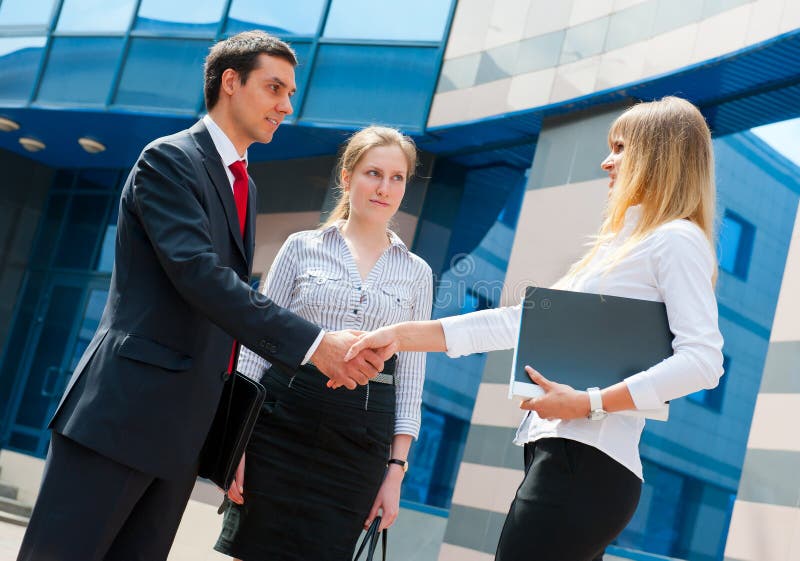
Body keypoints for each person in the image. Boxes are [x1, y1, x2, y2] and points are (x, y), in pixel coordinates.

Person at [17, 31, 392, 561]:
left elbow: (227, 305)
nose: (287, 105)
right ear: (230, 83)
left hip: (180, 438)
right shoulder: (168, 160)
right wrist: (315, 344)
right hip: (122, 417)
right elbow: (201, 276)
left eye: (290, 92)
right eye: (274, 88)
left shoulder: (245, 183)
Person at [345, 96, 725, 561]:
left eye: (621, 148)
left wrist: (588, 402)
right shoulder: (623, 247)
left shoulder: (676, 241)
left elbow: (704, 362)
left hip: (586, 465)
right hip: (567, 461)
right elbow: (515, 323)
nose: (607, 161)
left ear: (658, 156)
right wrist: (401, 335)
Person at [214, 125, 433, 561]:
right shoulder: (300, 247)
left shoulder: (417, 273)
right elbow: (257, 343)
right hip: (279, 422)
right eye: (374, 173)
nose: (384, 187)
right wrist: (233, 440)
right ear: (347, 178)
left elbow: (411, 381)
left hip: (360, 438)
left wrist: (395, 473)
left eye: (397, 178)